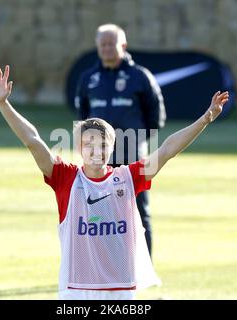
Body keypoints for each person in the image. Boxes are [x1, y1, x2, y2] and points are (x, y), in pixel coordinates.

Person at [0, 64, 229, 300]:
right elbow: (33, 140)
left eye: (102, 145)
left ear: (112, 147)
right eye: (88, 144)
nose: (95, 150)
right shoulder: (65, 178)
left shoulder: (128, 178)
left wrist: (205, 119)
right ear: (79, 148)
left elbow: (166, 150)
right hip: (76, 288)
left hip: (121, 288)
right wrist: (3, 104)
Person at [75, 24, 166, 257]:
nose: (106, 48)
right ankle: (106, 267)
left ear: (123, 46)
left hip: (132, 156)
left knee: (136, 210)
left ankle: (144, 266)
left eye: (111, 44)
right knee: (100, 213)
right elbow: (82, 117)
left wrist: (135, 143)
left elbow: (156, 117)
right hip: (97, 160)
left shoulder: (140, 77)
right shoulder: (88, 78)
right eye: (102, 44)